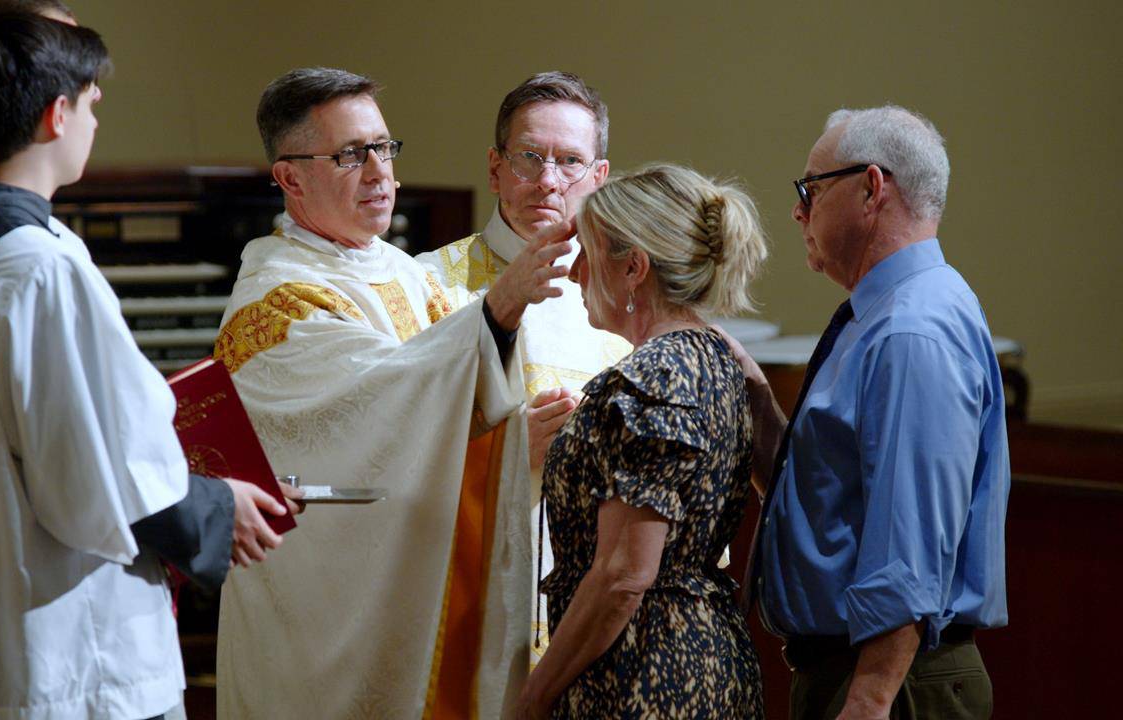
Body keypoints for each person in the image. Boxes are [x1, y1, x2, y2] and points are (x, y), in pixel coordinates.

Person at [0, 8, 296, 719]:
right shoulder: (39, 269)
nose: (95, 118)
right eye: (92, 102)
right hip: (55, 657)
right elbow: (100, 473)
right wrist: (216, 508)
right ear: (58, 114)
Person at [213, 67, 573, 718]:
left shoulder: (403, 273)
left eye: (383, 147)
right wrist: (497, 313)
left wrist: (517, 430)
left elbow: (443, 402)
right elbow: (375, 414)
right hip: (321, 620)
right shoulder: (274, 306)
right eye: (351, 155)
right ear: (291, 178)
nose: (380, 173)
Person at [739, 105, 1010, 719]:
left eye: (810, 189)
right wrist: (749, 389)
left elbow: (910, 547)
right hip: (867, 672)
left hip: (889, 683)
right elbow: (826, 492)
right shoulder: (888, 314)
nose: (798, 211)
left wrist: (868, 699)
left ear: (871, 188)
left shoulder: (911, 330)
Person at [514, 164, 767, 718]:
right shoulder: (716, 356)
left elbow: (624, 575)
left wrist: (530, 699)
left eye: (588, 252)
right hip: (703, 657)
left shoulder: (653, 374)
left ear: (632, 268)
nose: (576, 271)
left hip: (643, 673)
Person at [416, 70, 631, 654]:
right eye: (529, 158)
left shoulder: (633, 300)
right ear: (494, 168)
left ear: (600, 177)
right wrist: (506, 457)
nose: (548, 181)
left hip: (605, 604)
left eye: (569, 162)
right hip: (479, 593)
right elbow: (389, 446)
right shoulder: (425, 285)